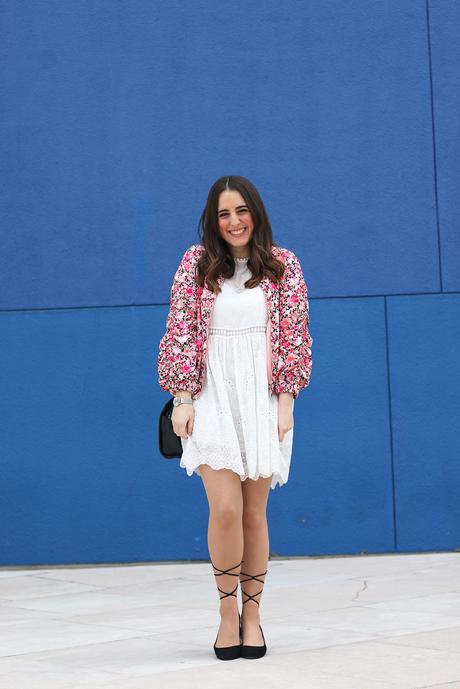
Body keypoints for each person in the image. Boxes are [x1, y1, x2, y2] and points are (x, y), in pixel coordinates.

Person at [157, 175, 313, 660]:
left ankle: (254, 615)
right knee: (224, 509)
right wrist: (182, 398)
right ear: (213, 220)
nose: (234, 221)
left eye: (241, 210)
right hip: (212, 398)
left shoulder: (283, 266)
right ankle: (227, 612)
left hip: (262, 400)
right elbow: (179, 330)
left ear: (256, 212)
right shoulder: (195, 265)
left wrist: (286, 402)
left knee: (252, 512)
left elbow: (294, 334)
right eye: (224, 213)